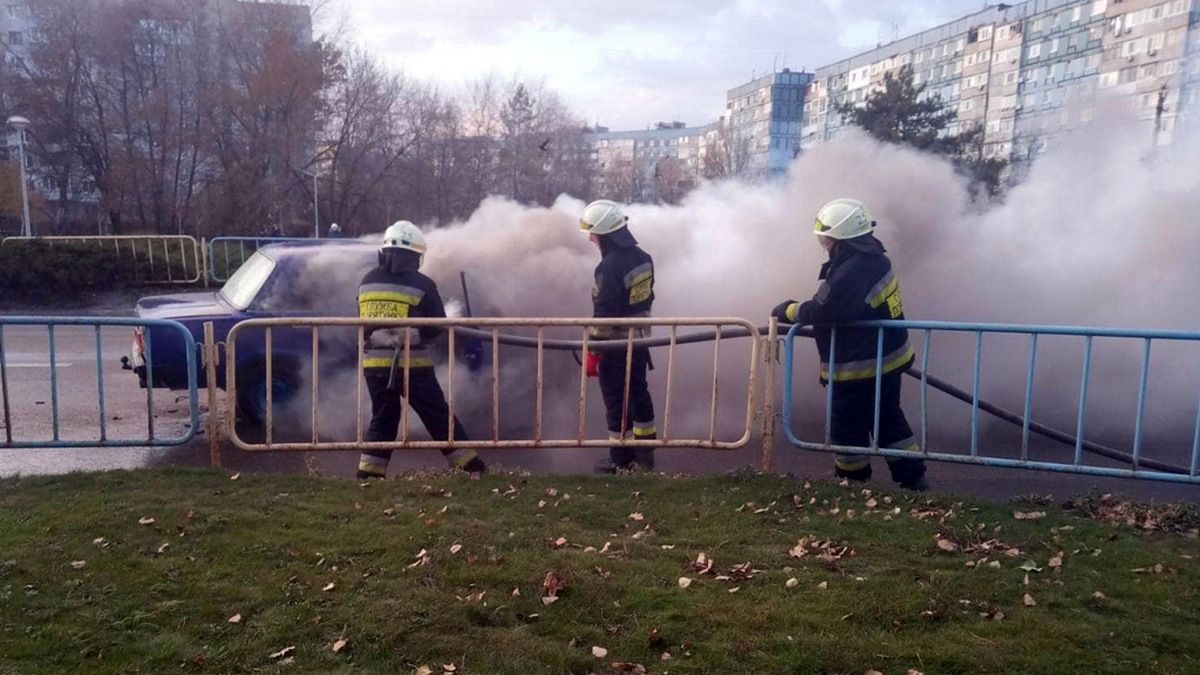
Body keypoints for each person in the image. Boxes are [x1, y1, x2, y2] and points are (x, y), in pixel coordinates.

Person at [772, 198, 927, 490]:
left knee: (847, 427)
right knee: (887, 419)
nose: (822, 242)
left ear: (840, 236)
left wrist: (790, 311)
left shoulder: (854, 268)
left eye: (825, 236)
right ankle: (913, 478)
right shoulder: (873, 258)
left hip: (861, 368)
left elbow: (827, 309)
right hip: (886, 358)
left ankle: (851, 483)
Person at [355, 220, 486, 478]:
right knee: (437, 415)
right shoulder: (421, 284)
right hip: (411, 366)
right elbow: (434, 326)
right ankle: (469, 466)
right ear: (413, 255)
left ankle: (368, 474)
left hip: (373, 366)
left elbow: (362, 321)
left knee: (383, 418)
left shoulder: (367, 281)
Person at [579, 199, 657, 473]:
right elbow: (646, 298)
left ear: (606, 234)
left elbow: (604, 313)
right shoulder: (644, 259)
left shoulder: (608, 267)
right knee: (638, 394)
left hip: (614, 346)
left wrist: (594, 349)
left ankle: (620, 459)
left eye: (594, 233)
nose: (591, 238)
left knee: (615, 400)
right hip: (639, 342)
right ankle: (645, 456)